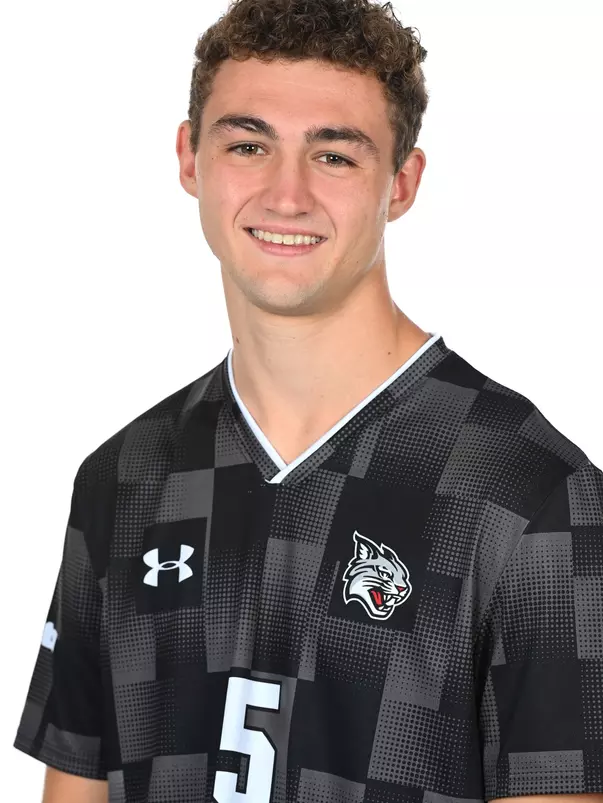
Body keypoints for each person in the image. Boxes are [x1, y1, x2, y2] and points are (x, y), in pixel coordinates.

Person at [14, 0, 603, 801]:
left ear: (401, 183)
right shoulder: (123, 476)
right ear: (190, 158)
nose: (284, 194)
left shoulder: (530, 492)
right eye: (248, 144)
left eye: (333, 156)